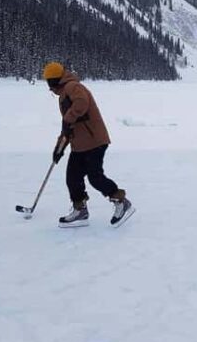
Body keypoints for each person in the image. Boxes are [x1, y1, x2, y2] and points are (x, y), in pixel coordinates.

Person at [42, 62, 134, 228]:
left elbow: (81, 104)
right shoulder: (64, 94)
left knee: (95, 176)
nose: (48, 86)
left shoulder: (72, 87)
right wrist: (59, 148)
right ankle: (80, 210)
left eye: (49, 81)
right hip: (80, 144)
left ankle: (121, 201)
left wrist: (68, 119)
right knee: (73, 177)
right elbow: (68, 127)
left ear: (55, 80)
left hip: (94, 141)